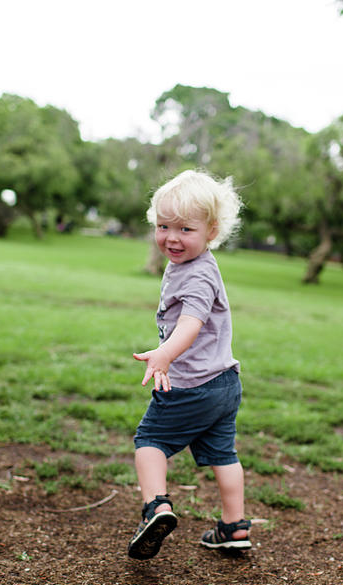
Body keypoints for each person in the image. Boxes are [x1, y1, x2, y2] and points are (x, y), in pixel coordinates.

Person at [128, 169, 249, 560]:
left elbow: (190, 325)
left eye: (185, 229)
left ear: (212, 231)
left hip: (191, 385)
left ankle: (157, 508)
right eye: (163, 226)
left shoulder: (197, 276)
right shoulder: (191, 263)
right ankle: (234, 527)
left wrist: (165, 354)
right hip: (224, 385)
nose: (172, 238)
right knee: (223, 455)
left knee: (150, 442)